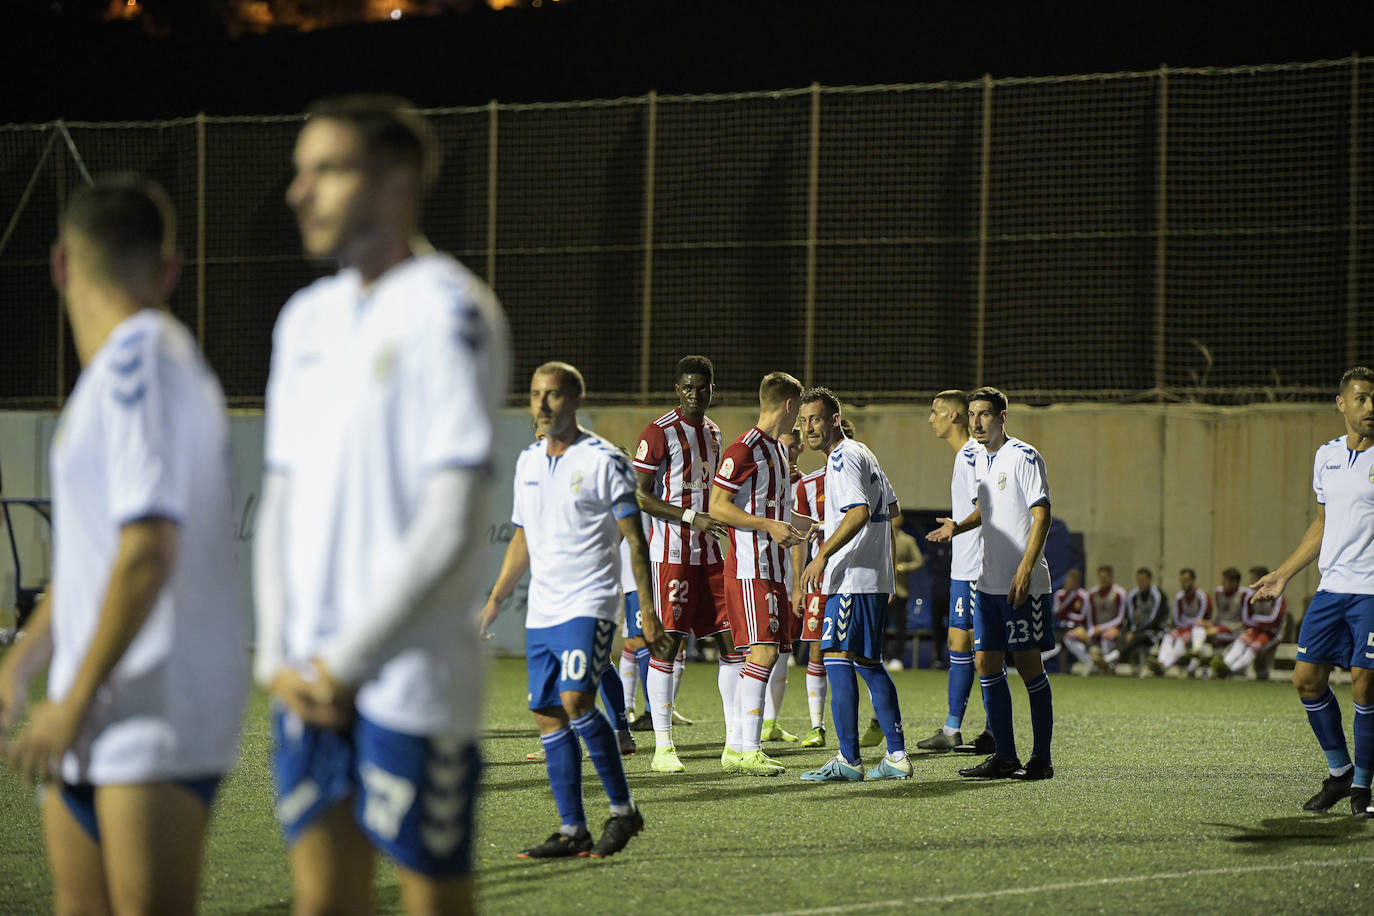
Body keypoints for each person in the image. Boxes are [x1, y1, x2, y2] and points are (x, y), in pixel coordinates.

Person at [255, 95, 510, 913]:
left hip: (407, 677)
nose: (300, 192)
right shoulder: (304, 319)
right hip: (307, 679)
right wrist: (276, 655)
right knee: (321, 902)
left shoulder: (451, 310)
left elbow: (450, 522)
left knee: (433, 901)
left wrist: (347, 660)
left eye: (326, 171)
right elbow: (281, 500)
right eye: (300, 173)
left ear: (398, 181)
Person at [0, 176, 248, 914]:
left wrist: (70, 699)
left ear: (60, 264)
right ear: (171, 268)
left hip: (148, 713)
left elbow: (145, 554)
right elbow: (97, 567)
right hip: (94, 715)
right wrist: (21, 669)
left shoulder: (143, 359)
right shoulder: (115, 373)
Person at [481, 362, 668, 857]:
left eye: (554, 395)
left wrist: (645, 610)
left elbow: (635, 538)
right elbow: (522, 537)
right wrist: (496, 599)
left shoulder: (606, 460)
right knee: (546, 714)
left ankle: (624, 814)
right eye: (536, 394)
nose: (542, 404)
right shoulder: (527, 462)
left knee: (576, 702)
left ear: (576, 401)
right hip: (543, 609)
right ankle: (572, 830)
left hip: (592, 601)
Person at [1252, 366, 1374, 817]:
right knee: (1305, 679)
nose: (1370, 407)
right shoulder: (1326, 456)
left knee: (1366, 686)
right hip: (1331, 588)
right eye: (1361, 398)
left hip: (1372, 594)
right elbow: (1323, 523)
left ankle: (1362, 790)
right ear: (1342, 403)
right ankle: (1340, 773)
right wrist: (1283, 574)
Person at [929, 387, 1056, 781]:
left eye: (984, 414)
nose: (977, 421)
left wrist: (1024, 569)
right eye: (972, 414)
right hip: (987, 585)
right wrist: (958, 525)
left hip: (1023, 586)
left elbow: (1042, 514)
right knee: (985, 663)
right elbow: (984, 510)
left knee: (1030, 667)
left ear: (1003, 416)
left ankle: (1041, 759)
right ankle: (1004, 755)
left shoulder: (1024, 455)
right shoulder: (981, 461)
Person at [796, 388, 911, 781]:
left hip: (851, 576)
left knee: (836, 659)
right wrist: (828, 526)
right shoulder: (863, 451)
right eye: (804, 420)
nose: (809, 427)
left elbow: (860, 511)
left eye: (816, 419)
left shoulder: (842, 457)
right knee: (866, 662)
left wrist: (823, 552)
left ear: (833, 420)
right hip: (870, 574)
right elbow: (891, 508)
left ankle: (849, 760)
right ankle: (895, 756)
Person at [629, 355, 735, 773]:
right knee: (669, 645)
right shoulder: (658, 432)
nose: (695, 394)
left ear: (712, 389)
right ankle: (663, 747)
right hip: (671, 553)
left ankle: (738, 743)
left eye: (702, 387)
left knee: (733, 644)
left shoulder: (712, 432)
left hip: (710, 554)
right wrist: (692, 518)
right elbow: (640, 495)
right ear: (678, 389)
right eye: (687, 387)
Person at [709, 371, 807, 776]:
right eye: (799, 409)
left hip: (774, 568)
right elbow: (717, 506)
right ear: (789, 405)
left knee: (770, 652)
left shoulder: (778, 451)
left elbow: (774, 512)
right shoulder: (744, 448)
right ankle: (745, 746)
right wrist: (768, 527)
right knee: (762, 651)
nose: (799, 417)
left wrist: (802, 522)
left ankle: (739, 746)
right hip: (751, 568)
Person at [916, 390, 992, 754]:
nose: (931, 419)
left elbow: (986, 507)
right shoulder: (965, 455)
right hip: (964, 567)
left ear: (954, 416)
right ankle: (951, 730)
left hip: (978, 567)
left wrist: (956, 528)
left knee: (984, 652)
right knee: (958, 644)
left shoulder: (972, 455)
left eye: (935, 413)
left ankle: (995, 730)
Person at [760, 427, 806, 744]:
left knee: (782, 650)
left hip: (787, 575)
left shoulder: (802, 481)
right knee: (760, 648)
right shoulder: (763, 473)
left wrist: (799, 582)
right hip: (760, 570)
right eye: (784, 445)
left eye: (793, 445)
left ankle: (770, 721)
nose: (789, 450)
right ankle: (747, 722)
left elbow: (800, 533)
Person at [1214, 566, 1286, 680]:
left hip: (1273, 633)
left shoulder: (1277, 595)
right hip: (1255, 630)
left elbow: (1274, 620)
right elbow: (1246, 620)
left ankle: (1229, 670)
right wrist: (1259, 622)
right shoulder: (1249, 596)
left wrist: (1255, 620)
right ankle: (1224, 665)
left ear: (1263, 580)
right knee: (1241, 641)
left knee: (1253, 647)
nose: (1251, 583)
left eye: (1254, 579)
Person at [1104, 568, 1168, 675]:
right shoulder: (1133, 594)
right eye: (1138, 580)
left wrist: (1134, 633)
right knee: (1122, 634)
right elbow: (1129, 617)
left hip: (1155, 631)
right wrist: (1130, 631)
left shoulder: (1158, 595)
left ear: (1149, 580)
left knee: (1138, 637)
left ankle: (1109, 659)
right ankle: (1110, 664)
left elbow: (1155, 619)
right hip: (1137, 630)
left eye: (1143, 580)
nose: (1140, 583)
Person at [1154, 569, 1212, 675]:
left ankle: (1166, 665)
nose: (1183, 582)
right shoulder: (1179, 597)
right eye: (1181, 580)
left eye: (1187, 580)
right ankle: (1160, 663)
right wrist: (1191, 622)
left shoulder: (1202, 596)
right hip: (1183, 627)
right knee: (1168, 637)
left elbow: (1202, 619)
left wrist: (1190, 621)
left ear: (1193, 580)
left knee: (1181, 640)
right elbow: (1177, 619)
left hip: (1197, 631)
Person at [885, 513, 924, 668]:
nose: (894, 520)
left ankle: (897, 658)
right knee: (879, 625)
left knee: (900, 626)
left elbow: (918, 561)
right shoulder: (879, 538)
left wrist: (902, 567)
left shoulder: (907, 540)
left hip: (900, 590)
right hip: (880, 589)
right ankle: (881, 656)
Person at [1082, 565, 1127, 674]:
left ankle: (1107, 667)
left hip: (1113, 629)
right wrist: (1090, 630)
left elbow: (1120, 618)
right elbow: (1088, 616)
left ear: (1111, 577)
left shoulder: (1119, 593)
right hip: (1095, 630)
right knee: (1073, 637)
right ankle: (1090, 664)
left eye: (1105, 577)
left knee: (1106, 637)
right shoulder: (1092, 594)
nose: (1103, 580)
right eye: (1101, 577)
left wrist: (1101, 628)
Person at [1051, 568, 1091, 673]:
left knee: (1069, 638)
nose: (1068, 583)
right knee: (1052, 645)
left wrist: (1068, 615)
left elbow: (1082, 616)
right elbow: (1057, 614)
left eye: (1071, 582)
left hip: (1076, 627)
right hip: (1061, 627)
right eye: (1067, 581)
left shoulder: (1083, 595)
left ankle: (1088, 662)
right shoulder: (1059, 594)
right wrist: (1069, 597)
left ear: (1076, 583)